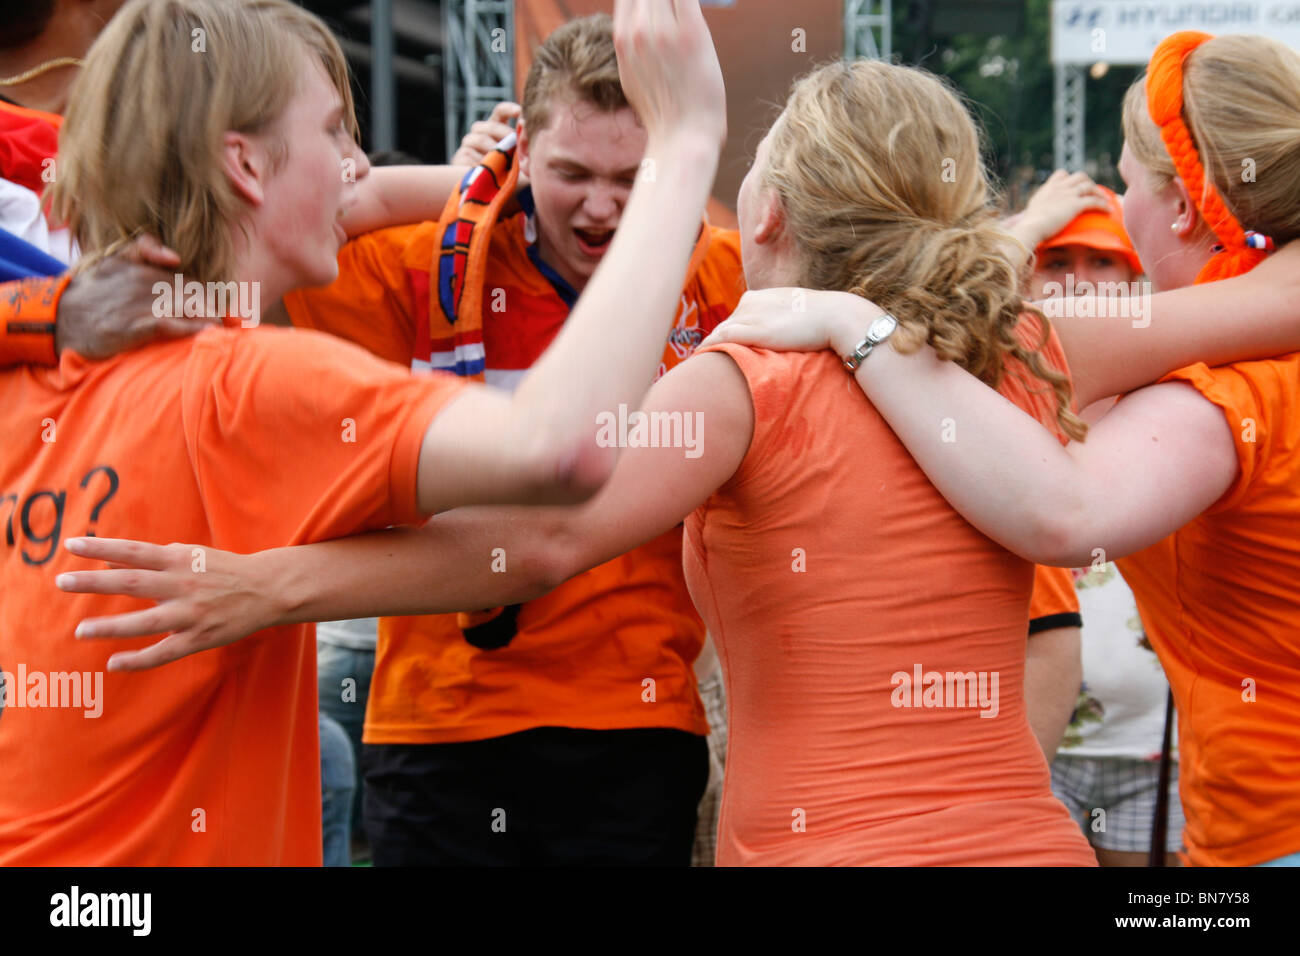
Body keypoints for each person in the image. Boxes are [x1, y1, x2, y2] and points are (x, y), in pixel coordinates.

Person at [61, 56, 1107, 866]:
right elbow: (1228, 319)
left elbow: (548, 531)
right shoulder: (1009, 355)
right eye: (569, 173)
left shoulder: (744, 369)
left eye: (648, 178)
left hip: (771, 815)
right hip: (1023, 841)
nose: (605, 206)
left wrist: (267, 583)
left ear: (769, 213)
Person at [0, 0, 729, 864]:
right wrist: (685, 145)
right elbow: (558, 453)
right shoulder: (252, 382)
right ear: (244, 164)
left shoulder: (29, 375)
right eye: (335, 132)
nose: (359, 167)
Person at [700, 31, 1300, 867]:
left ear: (1181, 208)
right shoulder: (1239, 348)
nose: (1117, 214)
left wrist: (856, 323)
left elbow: (1063, 511)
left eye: (1124, 185)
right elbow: (997, 333)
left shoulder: (1241, 392)